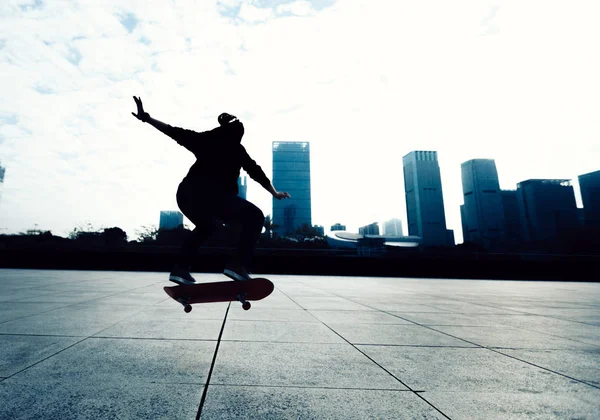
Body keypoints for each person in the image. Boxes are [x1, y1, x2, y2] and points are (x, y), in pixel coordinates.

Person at [131, 96, 290, 284]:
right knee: (255, 216)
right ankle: (237, 265)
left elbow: (174, 132)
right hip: (213, 197)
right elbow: (256, 172)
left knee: (208, 226)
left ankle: (180, 269)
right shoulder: (236, 149)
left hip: (186, 196)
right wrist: (274, 193)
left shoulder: (205, 140)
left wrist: (147, 119)